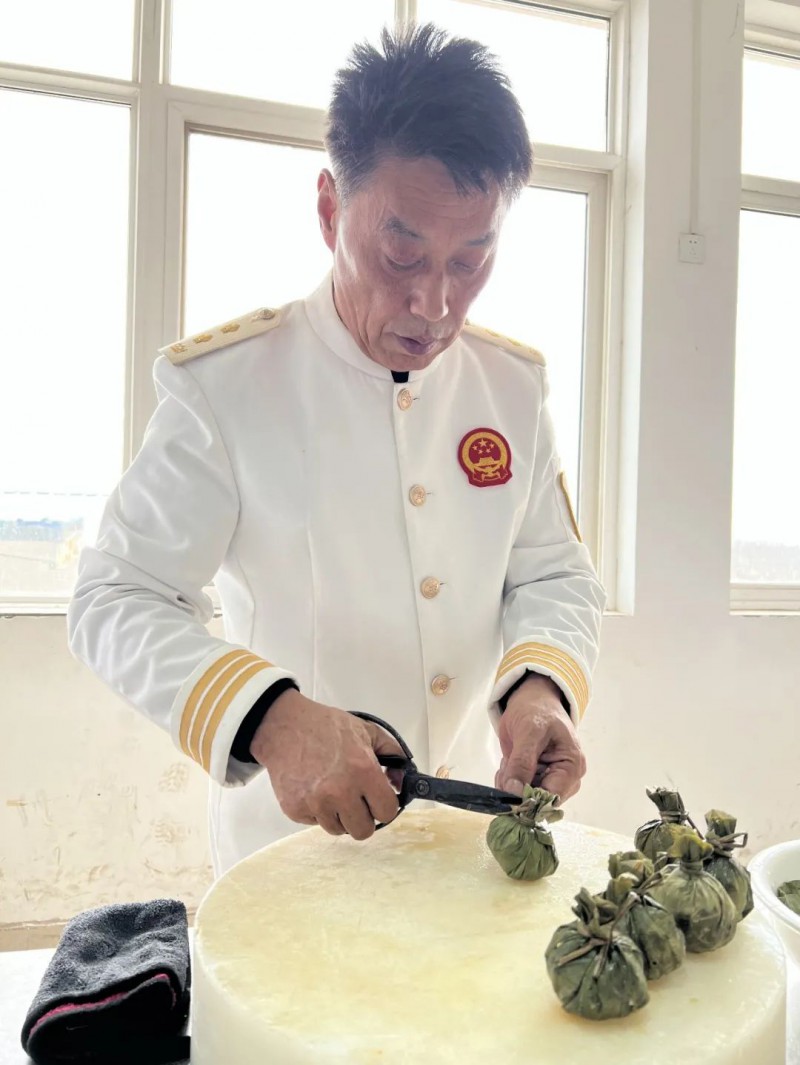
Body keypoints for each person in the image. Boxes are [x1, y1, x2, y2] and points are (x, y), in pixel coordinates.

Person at [68, 24, 606, 874]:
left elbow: (553, 574)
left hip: (467, 845)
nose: (434, 303)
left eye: (472, 260)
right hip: (290, 858)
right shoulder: (227, 386)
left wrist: (540, 687)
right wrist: (270, 717)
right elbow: (114, 596)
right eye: (401, 254)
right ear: (330, 210)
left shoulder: (511, 388)